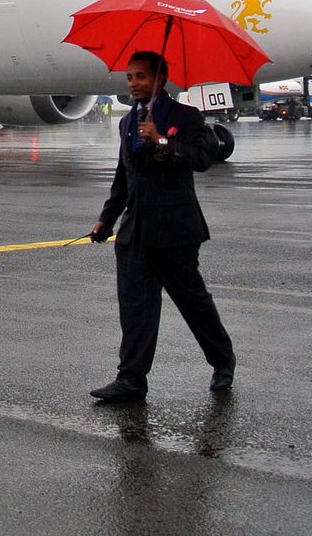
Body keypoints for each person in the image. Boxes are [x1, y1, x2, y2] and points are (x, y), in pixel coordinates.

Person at [87, 51, 236, 402]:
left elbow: (201, 160)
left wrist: (162, 141)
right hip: (135, 232)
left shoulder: (186, 117)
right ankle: (131, 379)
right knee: (136, 309)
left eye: (140, 76)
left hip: (175, 232)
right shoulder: (128, 123)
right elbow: (124, 176)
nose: (133, 83)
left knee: (193, 303)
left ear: (160, 79)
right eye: (129, 77)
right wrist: (107, 219)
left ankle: (222, 359)